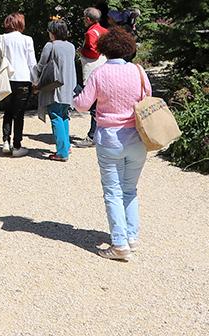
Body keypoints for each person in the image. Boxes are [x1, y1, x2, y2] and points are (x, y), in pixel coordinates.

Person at [74, 27, 150, 261]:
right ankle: (131, 237)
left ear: (105, 49)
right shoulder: (138, 71)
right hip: (137, 138)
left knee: (113, 192)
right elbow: (148, 99)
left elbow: (83, 105)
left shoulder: (99, 73)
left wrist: (75, 95)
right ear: (128, 49)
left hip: (110, 139)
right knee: (130, 189)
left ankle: (119, 244)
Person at [33, 18, 77, 161]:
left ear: (53, 33)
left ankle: (62, 152)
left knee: (55, 116)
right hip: (68, 86)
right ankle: (66, 146)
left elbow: (41, 66)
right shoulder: (70, 46)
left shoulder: (50, 46)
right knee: (63, 115)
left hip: (54, 87)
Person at [0, 13, 37, 157]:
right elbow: (32, 62)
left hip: (6, 79)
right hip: (23, 79)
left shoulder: (2, 38)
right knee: (19, 114)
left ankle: (5, 141)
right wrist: (36, 81)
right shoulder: (27, 40)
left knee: (7, 111)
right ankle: (17, 146)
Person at [76, 8, 109, 147]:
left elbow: (93, 53)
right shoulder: (104, 31)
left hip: (93, 69)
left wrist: (81, 50)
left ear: (88, 19)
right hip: (105, 67)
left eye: (84, 18)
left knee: (95, 104)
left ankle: (92, 136)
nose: (83, 20)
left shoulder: (91, 33)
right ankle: (101, 134)